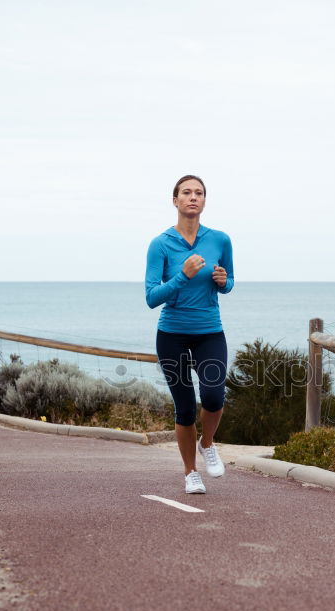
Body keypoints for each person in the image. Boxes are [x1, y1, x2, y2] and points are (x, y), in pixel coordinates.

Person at [145, 175, 235, 494]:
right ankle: (190, 472)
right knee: (184, 407)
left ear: (204, 202)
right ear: (175, 201)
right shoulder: (160, 244)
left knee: (213, 396)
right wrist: (182, 276)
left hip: (210, 332)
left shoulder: (220, 240)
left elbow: (229, 282)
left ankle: (207, 443)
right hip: (172, 336)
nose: (192, 197)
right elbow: (152, 297)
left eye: (199, 193)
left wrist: (223, 282)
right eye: (186, 192)